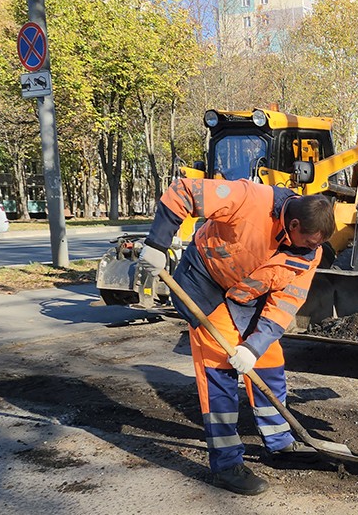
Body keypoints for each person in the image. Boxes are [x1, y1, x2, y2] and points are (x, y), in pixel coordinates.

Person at [139, 178, 336, 496]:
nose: (311, 251)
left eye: (316, 245)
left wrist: (254, 347)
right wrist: (157, 243)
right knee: (220, 370)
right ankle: (227, 464)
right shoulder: (250, 199)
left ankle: (281, 443)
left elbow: (285, 305)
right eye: (308, 242)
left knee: (269, 360)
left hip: (249, 295)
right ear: (293, 223)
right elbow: (184, 191)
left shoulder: (309, 254)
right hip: (206, 284)